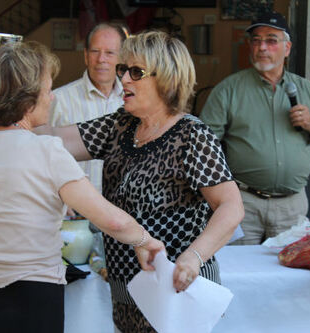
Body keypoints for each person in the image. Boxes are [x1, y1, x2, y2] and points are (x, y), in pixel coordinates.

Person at [0, 41, 164, 333]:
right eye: (46, 89)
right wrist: (145, 241)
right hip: (28, 299)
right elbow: (111, 219)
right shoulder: (47, 150)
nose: (52, 98)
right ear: (27, 98)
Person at [38, 31, 244, 332]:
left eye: (136, 72)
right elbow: (53, 140)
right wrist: (27, 97)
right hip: (128, 292)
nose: (124, 79)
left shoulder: (192, 135)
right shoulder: (120, 124)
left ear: (168, 78)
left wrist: (194, 257)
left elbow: (231, 206)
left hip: (177, 289)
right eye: (124, 70)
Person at [199, 11, 310, 245]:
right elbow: (203, 148)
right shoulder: (229, 90)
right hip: (244, 203)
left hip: (292, 206)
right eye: (256, 40)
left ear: (287, 48)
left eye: (271, 40)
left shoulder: (309, 92)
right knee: (241, 276)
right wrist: (219, 195)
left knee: (290, 278)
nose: (262, 47)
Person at [50, 22, 127, 193]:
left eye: (109, 53)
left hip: (121, 210)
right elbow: (39, 151)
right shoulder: (59, 99)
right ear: (85, 55)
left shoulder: (131, 101)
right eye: (95, 51)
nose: (101, 59)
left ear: (122, 59)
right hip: (74, 208)